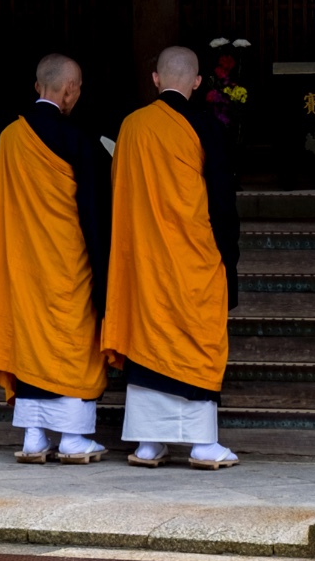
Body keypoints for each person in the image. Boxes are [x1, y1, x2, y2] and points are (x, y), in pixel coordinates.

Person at [102, 44, 242, 469]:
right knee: (196, 340)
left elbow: (119, 193)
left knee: (149, 338)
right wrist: (228, 255)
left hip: (144, 260)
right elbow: (221, 201)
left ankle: (148, 443)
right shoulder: (207, 127)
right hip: (193, 259)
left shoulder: (131, 126)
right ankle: (201, 445)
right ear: (198, 82)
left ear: (156, 79)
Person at [0, 53, 113, 464]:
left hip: (23, 263)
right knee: (72, 343)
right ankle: (73, 438)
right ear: (70, 89)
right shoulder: (78, 141)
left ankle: (34, 437)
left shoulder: (10, 138)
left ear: (38, 86)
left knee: (31, 345)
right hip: (68, 264)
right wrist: (106, 271)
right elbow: (94, 211)